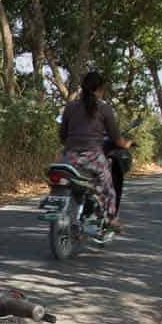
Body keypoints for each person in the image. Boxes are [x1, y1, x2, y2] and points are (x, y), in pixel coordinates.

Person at [58, 70, 131, 231]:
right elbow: (115, 137)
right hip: (93, 157)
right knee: (108, 188)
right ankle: (111, 219)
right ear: (100, 89)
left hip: (69, 157)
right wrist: (126, 144)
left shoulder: (70, 107)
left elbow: (62, 135)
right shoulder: (104, 109)